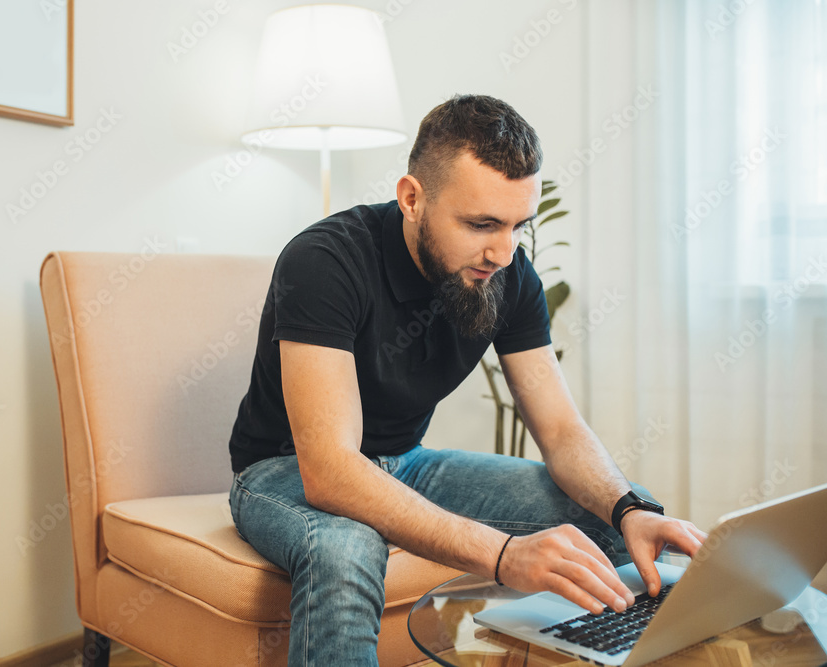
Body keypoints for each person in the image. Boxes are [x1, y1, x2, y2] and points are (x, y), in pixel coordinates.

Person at [227, 94, 707, 665]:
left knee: (611, 520)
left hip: (408, 462)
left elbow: (560, 429)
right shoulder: (325, 261)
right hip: (283, 471)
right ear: (412, 198)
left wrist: (630, 509)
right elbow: (329, 471)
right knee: (345, 545)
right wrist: (502, 554)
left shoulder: (509, 272)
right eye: (481, 224)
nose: (503, 252)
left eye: (515, 227)